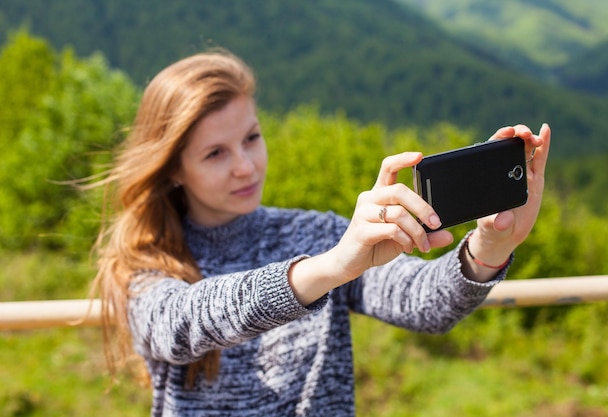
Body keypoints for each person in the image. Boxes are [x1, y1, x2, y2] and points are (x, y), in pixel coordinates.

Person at [91, 48, 550, 417]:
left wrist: (491, 245)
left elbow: (424, 303)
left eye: (252, 138)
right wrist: (328, 267)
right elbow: (180, 322)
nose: (245, 166)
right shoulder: (147, 264)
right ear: (172, 168)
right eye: (215, 154)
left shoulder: (316, 232)